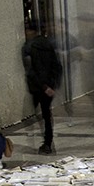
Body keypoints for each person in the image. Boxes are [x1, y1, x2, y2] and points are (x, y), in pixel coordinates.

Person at [23, 25, 63, 154]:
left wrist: (43, 86)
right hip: (49, 86)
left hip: (37, 87)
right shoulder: (49, 44)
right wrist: (53, 85)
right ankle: (48, 142)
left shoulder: (28, 47)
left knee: (35, 114)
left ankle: (42, 142)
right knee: (46, 115)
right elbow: (57, 66)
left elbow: (32, 70)